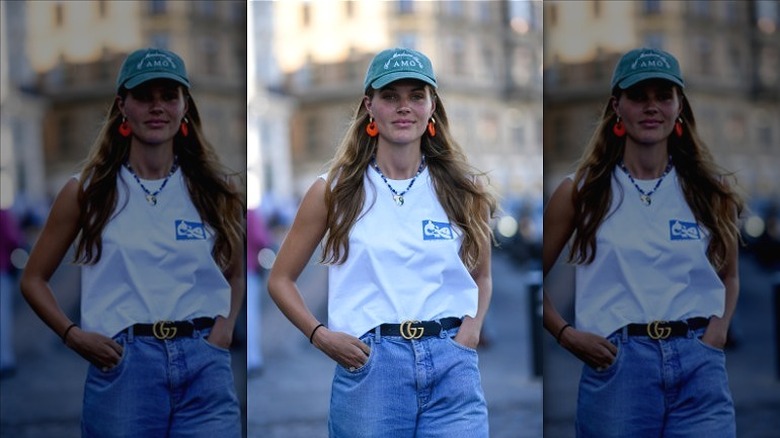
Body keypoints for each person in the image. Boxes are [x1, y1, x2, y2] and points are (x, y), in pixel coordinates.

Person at [268, 47, 498, 437]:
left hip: (451, 365)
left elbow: (483, 276)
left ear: (432, 105)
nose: (403, 107)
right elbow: (280, 280)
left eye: (415, 95)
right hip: (371, 369)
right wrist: (320, 336)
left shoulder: (464, 189)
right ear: (369, 106)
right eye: (390, 96)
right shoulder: (334, 191)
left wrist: (471, 330)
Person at [20, 47, 244, 437]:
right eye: (144, 96)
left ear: (184, 105)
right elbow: (33, 279)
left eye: (168, 96)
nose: (157, 107)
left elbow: (236, 274)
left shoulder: (215, 189)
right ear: (122, 105)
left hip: (204, 365)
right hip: (124, 367)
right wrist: (72, 336)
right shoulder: (86, 191)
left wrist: (222, 332)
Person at [543, 47, 744, 437]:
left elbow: (730, 276)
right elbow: (533, 279)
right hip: (618, 369)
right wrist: (565, 334)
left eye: (663, 96)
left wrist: (717, 332)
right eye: (639, 96)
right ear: (617, 105)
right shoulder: (579, 192)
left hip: (699, 367)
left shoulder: (710, 191)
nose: (652, 107)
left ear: (678, 105)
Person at [246, 207, 273, 375]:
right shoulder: (251, 214)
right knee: (251, 316)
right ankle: (253, 359)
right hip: (249, 270)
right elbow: (261, 239)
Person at [1, 208, 25, 377]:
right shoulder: (2, 215)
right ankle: (5, 359)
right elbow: (14, 239)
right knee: (3, 316)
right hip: (1, 270)